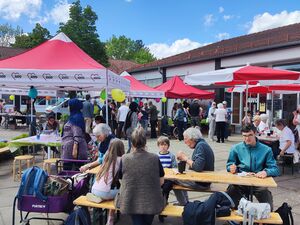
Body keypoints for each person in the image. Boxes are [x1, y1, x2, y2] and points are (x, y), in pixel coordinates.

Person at [117, 127, 165, 225]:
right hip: (152, 201)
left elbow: (121, 180)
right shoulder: (154, 158)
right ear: (145, 142)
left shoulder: (125, 158)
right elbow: (161, 182)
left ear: (132, 142)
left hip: (130, 200)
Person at [226, 124, 280, 210]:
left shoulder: (266, 150)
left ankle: (264, 220)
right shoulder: (236, 148)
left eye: (250, 135)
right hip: (240, 181)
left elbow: (276, 169)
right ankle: (234, 219)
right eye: (244, 136)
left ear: (255, 133)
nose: (247, 138)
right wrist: (231, 168)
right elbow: (229, 165)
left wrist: (266, 172)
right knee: (229, 198)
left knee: (268, 208)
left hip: (258, 182)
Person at [86, 139, 125, 225]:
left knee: (110, 189)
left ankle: (100, 198)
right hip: (105, 192)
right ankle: (111, 216)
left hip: (94, 188)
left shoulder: (106, 158)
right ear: (121, 148)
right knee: (122, 193)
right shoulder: (121, 159)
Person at [175, 127, 215, 205]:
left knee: (171, 180)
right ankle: (184, 202)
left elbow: (197, 167)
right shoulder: (202, 144)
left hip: (202, 183)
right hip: (204, 180)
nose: (184, 141)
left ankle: (183, 203)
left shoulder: (201, 146)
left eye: (185, 139)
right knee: (178, 179)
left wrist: (185, 158)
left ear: (192, 138)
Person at [61, 98, 88, 170]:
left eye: (69, 105)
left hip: (72, 150)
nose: (68, 107)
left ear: (73, 106)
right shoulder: (74, 117)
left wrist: (75, 149)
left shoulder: (77, 118)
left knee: (70, 171)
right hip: (69, 149)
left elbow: (77, 134)